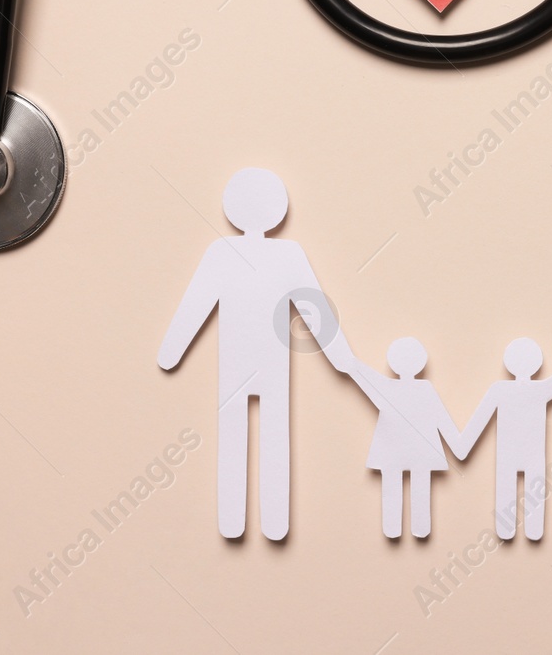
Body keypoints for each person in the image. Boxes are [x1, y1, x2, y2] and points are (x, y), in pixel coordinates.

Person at [157, 167, 341, 540]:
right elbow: (314, 311)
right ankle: (272, 523)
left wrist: (171, 351)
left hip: (241, 366)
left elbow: (196, 305)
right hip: (270, 366)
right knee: (275, 437)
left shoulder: (223, 252)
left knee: (234, 436)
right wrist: (341, 357)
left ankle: (235, 521)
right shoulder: (287, 253)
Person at [327, 335, 465, 538]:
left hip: (393, 453)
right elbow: (442, 420)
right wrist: (459, 445)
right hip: (420, 453)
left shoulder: (389, 387)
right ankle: (418, 528)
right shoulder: (422, 388)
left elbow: (363, 375)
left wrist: (350, 363)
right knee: (419, 486)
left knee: (395, 485)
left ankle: (395, 529)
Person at [456, 338, 552, 540]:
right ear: (537, 364)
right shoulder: (539, 389)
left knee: (508, 488)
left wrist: (462, 444)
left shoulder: (501, 389)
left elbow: (479, 420)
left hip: (509, 455)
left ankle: (509, 531)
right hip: (531, 455)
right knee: (532, 492)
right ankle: (531, 530)